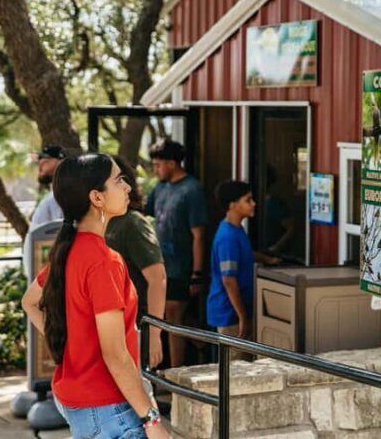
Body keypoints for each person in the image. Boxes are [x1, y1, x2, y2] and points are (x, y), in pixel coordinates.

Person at [21, 154, 168, 438]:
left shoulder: (69, 250)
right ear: (97, 198)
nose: (127, 187)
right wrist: (152, 420)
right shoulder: (104, 261)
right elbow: (115, 354)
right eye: (119, 180)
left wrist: (70, 343)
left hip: (79, 402)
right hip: (109, 407)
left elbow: (29, 302)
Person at [145, 138, 207, 367]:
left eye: (158, 165)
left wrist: (197, 273)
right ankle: (201, 343)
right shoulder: (160, 188)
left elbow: (199, 235)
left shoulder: (192, 190)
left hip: (181, 267)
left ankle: (175, 373)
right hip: (158, 266)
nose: (155, 170)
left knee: (173, 319)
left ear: (172, 163)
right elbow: (145, 211)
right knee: (169, 317)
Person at [106, 155, 167, 368]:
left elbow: (157, 279)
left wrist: (154, 335)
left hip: (134, 327)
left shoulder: (132, 223)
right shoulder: (95, 223)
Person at [208, 180, 278, 360]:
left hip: (236, 312)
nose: (253, 203)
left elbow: (245, 253)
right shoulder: (227, 237)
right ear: (233, 205)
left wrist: (268, 259)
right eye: (248, 200)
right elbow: (228, 280)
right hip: (230, 314)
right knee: (235, 366)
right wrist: (243, 318)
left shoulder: (236, 230)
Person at [30, 145, 67, 227]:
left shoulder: (63, 196)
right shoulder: (52, 197)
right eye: (39, 158)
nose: (40, 162)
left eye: (45, 158)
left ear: (60, 161)